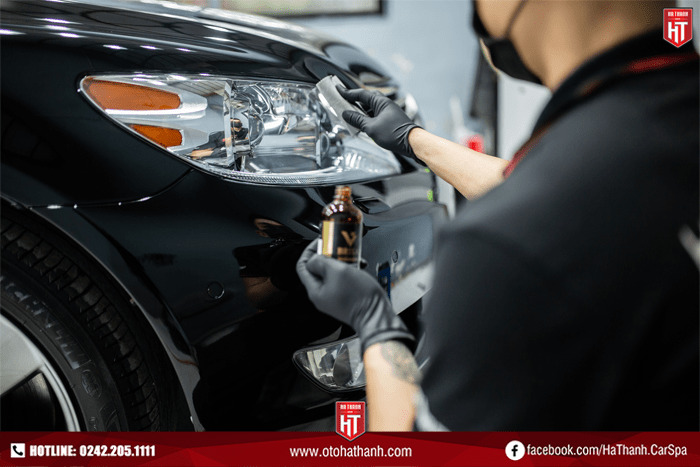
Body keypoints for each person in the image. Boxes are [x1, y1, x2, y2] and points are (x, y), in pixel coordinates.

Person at [297, 0, 699, 430]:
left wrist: (376, 326)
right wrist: (412, 138)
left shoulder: (504, 246)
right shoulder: (662, 133)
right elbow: (569, 197)